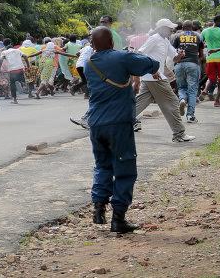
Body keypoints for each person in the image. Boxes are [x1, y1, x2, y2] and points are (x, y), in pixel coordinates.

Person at [84, 27, 160, 233]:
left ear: (93, 44)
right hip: (118, 123)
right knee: (125, 169)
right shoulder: (121, 57)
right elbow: (151, 64)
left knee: (102, 165)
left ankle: (99, 207)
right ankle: (118, 218)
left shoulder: (89, 63)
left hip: (96, 124)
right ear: (111, 41)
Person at [135, 19, 195, 142]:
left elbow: (175, 59)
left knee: (139, 104)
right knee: (172, 102)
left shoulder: (165, 41)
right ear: (162, 28)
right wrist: (152, 69)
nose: (171, 30)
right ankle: (179, 134)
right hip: (154, 76)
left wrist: (180, 55)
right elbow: (139, 54)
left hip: (150, 78)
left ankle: (115, 123)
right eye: (169, 28)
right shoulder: (154, 39)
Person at [172, 20, 204, 123]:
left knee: (181, 87)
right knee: (192, 90)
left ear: (182, 27)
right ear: (192, 27)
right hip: (193, 64)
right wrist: (197, 63)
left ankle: (181, 99)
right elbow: (201, 54)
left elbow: (173, 52)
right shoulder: (198, 36)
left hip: (179, 65)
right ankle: (190, 116)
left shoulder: (177, 36)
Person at [201, 17, 220, 106]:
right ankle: (217, 101)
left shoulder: (205, 31)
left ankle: (205, 90)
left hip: (210, 58)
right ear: (218, 22)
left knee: (211, 78)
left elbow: (201, 43)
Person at [0, 38, 35, 103]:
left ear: (7, 48)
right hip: (20, 69)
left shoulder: (4, 52)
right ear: (12, 47)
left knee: (12, 84)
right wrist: (28, 66)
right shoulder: (18, 50)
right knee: (29, 80)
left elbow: (0, 60)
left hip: (12, 71)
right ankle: (30, 93)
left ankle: (15, 100)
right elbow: (25, 56)